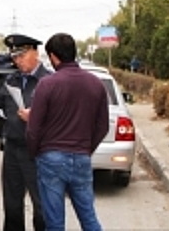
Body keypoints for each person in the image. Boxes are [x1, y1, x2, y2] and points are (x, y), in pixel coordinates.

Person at [26, 32, 110, 231]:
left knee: (54, 223)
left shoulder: (47, 84)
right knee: (89, 218)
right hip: (82, 158)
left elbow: (34, 127)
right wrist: (86, 149)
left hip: (51, 159)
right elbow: (102, 126)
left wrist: (34, 152)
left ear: (54, 57)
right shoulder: (96, 84)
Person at [0, 33, 51, 231]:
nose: (18, 61)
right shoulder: (11, 80)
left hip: (38, 152)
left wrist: (34, 117)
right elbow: (0, 106)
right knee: (11, 206)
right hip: (12, 149)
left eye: (21, 56)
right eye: (15, 57)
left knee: (42, 207)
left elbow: (59, 118)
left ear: (35, 53)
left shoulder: (49, 81)